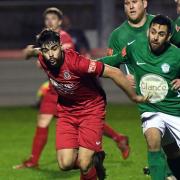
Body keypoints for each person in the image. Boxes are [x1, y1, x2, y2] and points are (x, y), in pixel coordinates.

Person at [14, 6, 130, 169]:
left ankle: (114, 141)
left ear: (60, 21)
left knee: (83, 119)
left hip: (70, 88)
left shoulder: (63, 38)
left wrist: (37, 53)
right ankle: (34, 161)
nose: (50, 22)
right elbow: (37, 52)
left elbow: (63, 54)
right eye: (47, 19)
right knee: (44, 121)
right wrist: (32, 51)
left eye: (53, 18)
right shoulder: (47, 40)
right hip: (55, 88)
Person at [36, 29, 147, 180]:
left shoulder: (77, 63)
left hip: (91, 110)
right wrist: (28, 51)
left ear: (61, 46)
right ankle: (95, 160)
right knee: (64, 164)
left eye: (54, 49)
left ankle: (92, 164)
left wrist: (134, 97)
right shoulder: (44, 59)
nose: (50, 55)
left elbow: (114, 72)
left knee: (84, 163)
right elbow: (34, 51)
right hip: (67, 113)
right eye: (45, 51)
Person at [100, 14, 180, 180]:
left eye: (161, 34)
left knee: (173, 152)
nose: (155, 37)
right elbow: (113, 60)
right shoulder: (134, 47)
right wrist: (86, 65)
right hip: (150, 108)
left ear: (169, 36)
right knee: (153, 140)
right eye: (153, 32)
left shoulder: (176, 55)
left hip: (174, 110)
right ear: (148, 32)